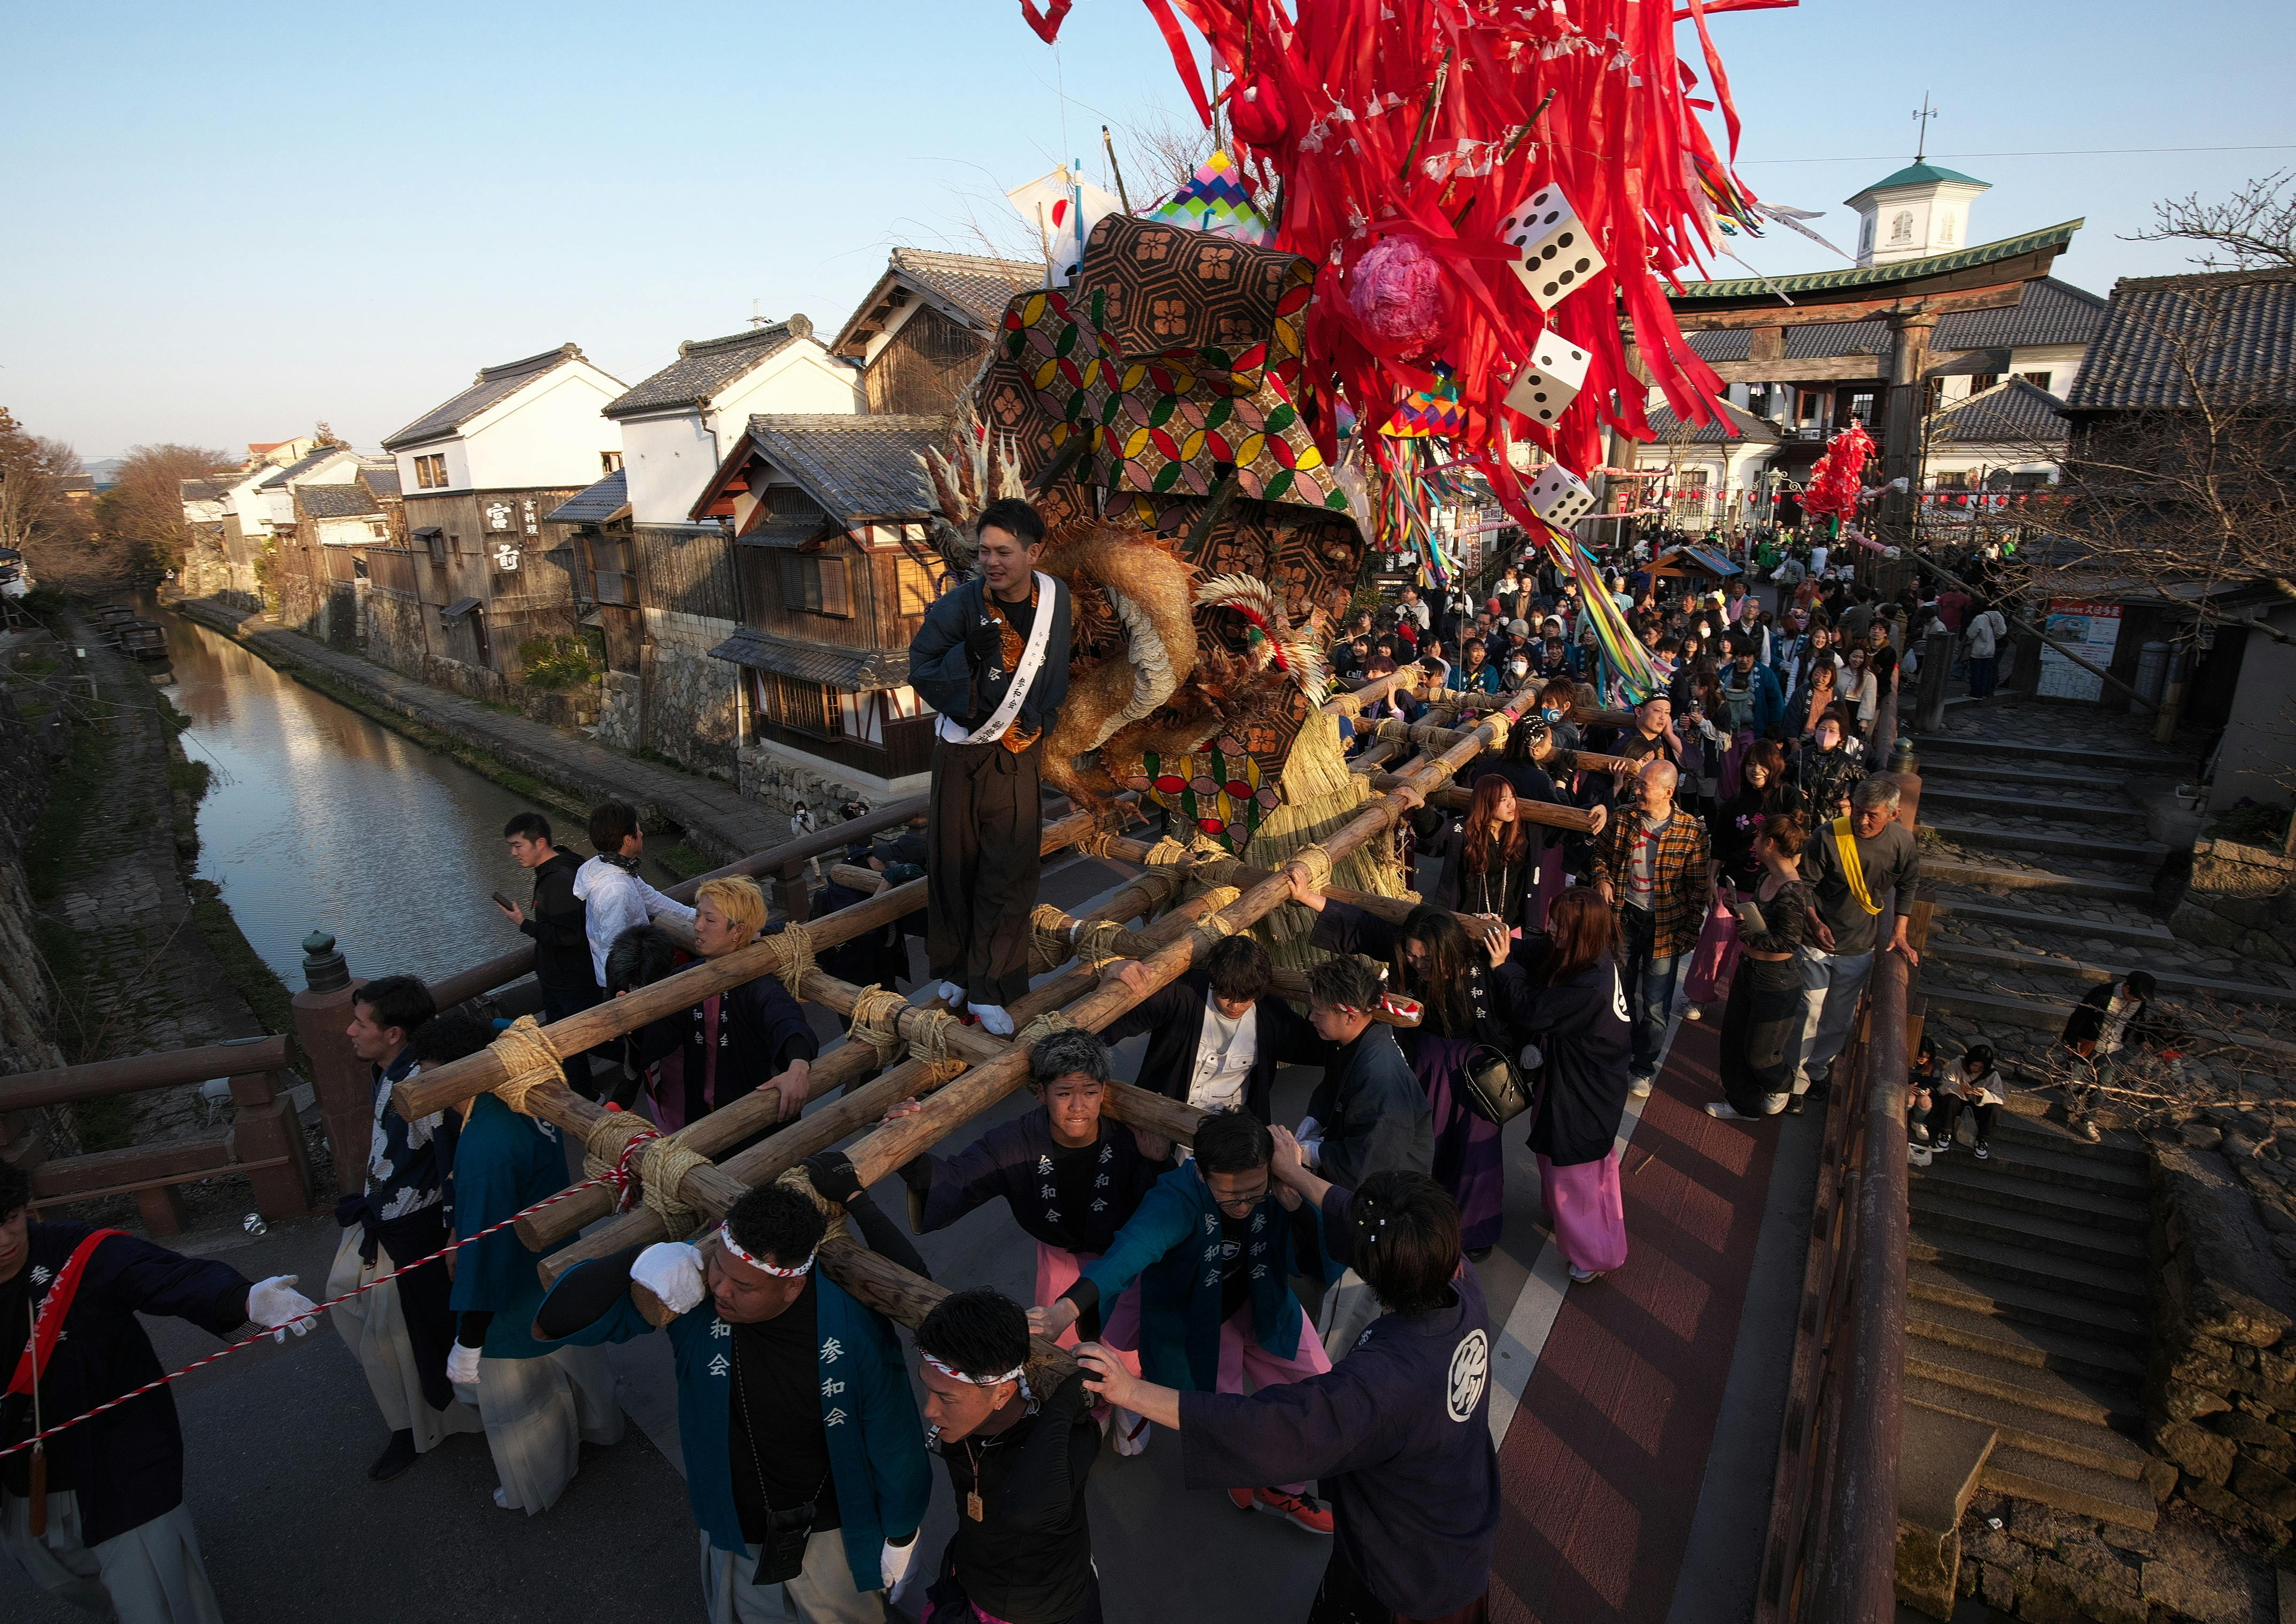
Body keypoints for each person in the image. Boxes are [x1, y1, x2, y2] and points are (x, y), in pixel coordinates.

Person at [1075, 1163, 1498, 1624]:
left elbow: (1268, 1427)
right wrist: (1296, 1174)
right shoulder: (1460, 1284)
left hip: (1402, 1574)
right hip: (1460, 1527)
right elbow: (1355, 1214)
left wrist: (1131, 1390)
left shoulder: (1383, 1382)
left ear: (1369, 1268)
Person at [537, 1165, 932, 1624]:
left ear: (792, 1286)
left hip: (831, 1534)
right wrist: (638, 1261)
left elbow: (895, 1440)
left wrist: (902, 1534)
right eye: (719, 1269)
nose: (721, 1290)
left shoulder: (853, 1333)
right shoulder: (690, 1296)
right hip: (732, 1524)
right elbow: (551, 1323)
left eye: (743, 1286)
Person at [0, 1158, 317, 1623]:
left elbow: (170, 1277)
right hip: (21, 1472)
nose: (5, 1239)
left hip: (115, 1453)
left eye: (9, 1219)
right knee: (60, 1576)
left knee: (160, 1602)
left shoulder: (78, 1254)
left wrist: (246, 1300)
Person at [1033, 1112, 1337, 1535]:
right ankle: (1247, 1478)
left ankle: (1284, 1486)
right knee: (1226, 1418)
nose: (1244, 1205)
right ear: (1200, 1172)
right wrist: (1063, 1310)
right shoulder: (1176, 1197)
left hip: (1266, 1300)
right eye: (1230, 1198)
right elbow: (1129, 1252)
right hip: (1199, 1321)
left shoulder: (1281, 1185)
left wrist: (1297, 1198)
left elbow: (1324, 1252)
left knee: (1319, 1388)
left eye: (1254, 1191)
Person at [889, 1030, 1163, 1453]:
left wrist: (1156, 1158)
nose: (1078, 1106)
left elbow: (1159, 1205)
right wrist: (906, 1151)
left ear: (1104, 1091)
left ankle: (1130, 1402)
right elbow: (960, 1177)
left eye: (1090, 1092)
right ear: (1040, 1093)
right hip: (1060, 1255)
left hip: (1122, 1257)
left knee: (1125, 1339)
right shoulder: (1014, 1141)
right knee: (1063, 1341)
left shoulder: (1129, 1134)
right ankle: (1092, 1409)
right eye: (1064, 1093)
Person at [407, 1013, 627, 1514]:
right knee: (573, 1351)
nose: (421, 1084)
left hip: (508, 1277)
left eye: (428, 1071)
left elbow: (484, 1251)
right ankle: (599, 1427)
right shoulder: (527, 1091)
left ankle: (538, 1482)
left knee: (520, 1401)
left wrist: (469, 1338)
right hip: (555, 1252)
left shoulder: (484, 1145)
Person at [907, 498, 1073, 1038]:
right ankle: (959, 970)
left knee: (1008, 870)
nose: (992, 562)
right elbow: (922, 668)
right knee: (956, 865)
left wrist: (1034, 721)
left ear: (1034, 552)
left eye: (1004, 551)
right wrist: (969, 661)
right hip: (961, 751)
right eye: (984, 551)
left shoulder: (1055, 601)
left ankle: (992, 985)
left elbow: (1055, 672)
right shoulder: (958, 606)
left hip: (1017, 753)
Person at [1301, 889, 1531, 1260]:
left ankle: (1472, 1232)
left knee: (1477, 1152)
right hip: (1426, 1062)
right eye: (1412, 954)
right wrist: (1309, 897)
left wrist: (1503, 964)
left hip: (1479, 1069)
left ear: (1450, 949)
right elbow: (1363, 927)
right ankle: (1422, 1226)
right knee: (1428, 1147)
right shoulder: (1405, 956)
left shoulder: (1482, 956)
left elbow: (1526, 982)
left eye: (1427, 957)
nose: (1418, 963)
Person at [327, 973, 484, 1482]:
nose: (351, 1031)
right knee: (369, 1318)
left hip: (413, 1229)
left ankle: (414, 1430)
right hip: (387, 1216)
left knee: (391, 1337)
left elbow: (451, 1161)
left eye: (360, 1022)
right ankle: (423, 1421)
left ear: (394, 1032)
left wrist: (454, 1232)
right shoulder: (390, 1069)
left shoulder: (421, 1085)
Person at [920, 1289, 1102, 1624]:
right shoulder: (962, 1423)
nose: (930, 1411)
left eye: (945, 1398)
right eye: (927, 1390)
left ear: (1003, 1392)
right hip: (971, 1576)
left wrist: (1063, 1406)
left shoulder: (1069, 1442)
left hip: (1043, 1609)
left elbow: (1027, 1512)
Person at [1287, 946, 1434, 1355]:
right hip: (1370, 1164)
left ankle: (1333, 1375)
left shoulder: (1381, 1075)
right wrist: (1313, 1123)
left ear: (1351, 1013)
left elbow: (1368, 1163)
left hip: (1386, 1200)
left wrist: (1310, 1154)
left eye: (1319, 1010)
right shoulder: (1355, 1041)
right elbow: (1330, 1089)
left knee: (1352, 1311)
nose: (1312, 1017)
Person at [638, 876, 818, 1135]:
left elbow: (788, 1023)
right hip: (699, 1107)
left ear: (738, 931)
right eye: (698, 915)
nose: (698, 926)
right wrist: (634, 1017)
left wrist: (799, 1066)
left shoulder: (759, 985)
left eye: (710, 920)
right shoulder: (688, 975)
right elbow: (661, 1030)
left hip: (751, 1114)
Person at [1517, 888, 1634, 1281]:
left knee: (1580, 1175)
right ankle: (1566, 1221)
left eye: (1560, 924)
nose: (1551, 928)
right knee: (1560, 1154)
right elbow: (1538, 955)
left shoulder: (1591, 983)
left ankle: (1596, 1254)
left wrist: (1501, 966)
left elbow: (1534, 1012)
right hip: (1573, 1081)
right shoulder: (1590, 959)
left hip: (1585, 1092)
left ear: (1581, 931)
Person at [1788, 776, 1922, 1111]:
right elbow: (1802, 885)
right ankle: (1794, 1082)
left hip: (1859, 943)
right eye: (1859, 811)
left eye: (1872, 815)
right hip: (1816, 939)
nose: (1862, 821)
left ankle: (1817, 1071)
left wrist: (1900, 931)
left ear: (1892, 815)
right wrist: (1814, 921)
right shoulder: (1829, 835)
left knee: (1839, 1018)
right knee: (1808, 1011)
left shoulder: (1902, 843)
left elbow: (1909, 885)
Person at [1102, 934, 1329, 1124]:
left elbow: (1311, 1046)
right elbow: (1111, 1025)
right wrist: (1113, 970)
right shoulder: (1181, 994)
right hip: (1165, 1119)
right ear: (1214, 982)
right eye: (1226, 996)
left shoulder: (1270, 1015)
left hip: (1231, 1129)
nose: (1235, 1006)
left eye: (1246, 999)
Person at [1592, 759, 1712, 1097]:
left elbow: (1697, 890)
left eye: (1645, 785)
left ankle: (1643, 1068)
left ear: (1668, 792)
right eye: (1638, 783)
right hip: (1623, 919)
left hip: (1665, 928)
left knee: (1656, 1005)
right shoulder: (1624, 817)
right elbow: (1600, 856)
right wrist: (1602, 879)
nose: (1637, 789)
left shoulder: (1692, 832)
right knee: (1620, 995)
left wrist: (1687, 935)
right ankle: (1617, 1056)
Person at [1707, 814, 1817, 1121]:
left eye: (1758, 838)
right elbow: (1761, 921)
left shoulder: (1792, 891)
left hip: (1776, 982)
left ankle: (1781, 1084)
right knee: (1733, 1043)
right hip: (1749, 971)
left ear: (1769, 844)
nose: (1753, 843)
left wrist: (1748, 935)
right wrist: (1738, 909)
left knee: (1761, 1053)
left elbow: (1788, 942)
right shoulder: (1764, 879)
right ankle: (1744, 1105)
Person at [496, 813, 599, 1076]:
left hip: (569, 981)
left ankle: (591, 1094)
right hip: (569, 977)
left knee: (572, 1045)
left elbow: (568, 935)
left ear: (540, 843)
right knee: (571, 1045)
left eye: (518, 846)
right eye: (511, 847)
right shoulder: (565, 865)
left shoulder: (558, 881)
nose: (513, 853)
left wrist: (524, 924)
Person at [575, 799, 696, 986]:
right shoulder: (616, 889)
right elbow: (612, 946)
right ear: (628, 840)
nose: (642, 834)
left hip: (634, 971)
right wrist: (624, 990)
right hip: (631, 981)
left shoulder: (607, 865)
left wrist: (696, 917)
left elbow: (653, 900)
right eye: (638, 830)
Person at [2060, 971, 2164, 1142]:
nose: (2138, 1000)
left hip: (2113, 1048)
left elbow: (2138, 1025)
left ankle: (2088, 1120)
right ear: (2127, 988)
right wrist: (2070, 1042)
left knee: (2104, 1086)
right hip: (2087, 1043)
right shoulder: (2101, 994)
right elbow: (2078, 1018)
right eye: (2136, 997)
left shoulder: (2140, 1003)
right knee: (2074, 1079)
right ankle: (2075, 1093)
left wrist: (2143, 1041)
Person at [1710, 740, 1803, 893]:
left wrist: (1784, 883)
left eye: (1763, 765)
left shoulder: (1789, 797)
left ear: (1775, 766)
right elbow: (1720, 845)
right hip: (1733, 886)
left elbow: (1799, 846)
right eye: (1751, 764)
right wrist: (1711, 881)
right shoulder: (1735, 802)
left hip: (1773, 886)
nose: (1756, 770)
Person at [1932, 1043, 2006, 1158]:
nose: (1977, 1070)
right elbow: (1943, 1086)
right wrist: (1959, 1087)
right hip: (1957, 1103)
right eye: (1975, 1066)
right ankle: (1945, 1132)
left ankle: (1982, 1139)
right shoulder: (1957, 1064)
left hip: (1977, 1106)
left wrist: (1984, 1095)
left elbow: (2000, 1098)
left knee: (1995, 1108)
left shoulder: (1992, 1074)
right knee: (1951, 1099)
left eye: (1981, 1068)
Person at [1799, 712, 1863, 824]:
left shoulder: (1846, 761)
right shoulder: (1801, 755)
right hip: (1801, 820)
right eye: (1822, 729)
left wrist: (1851, 801)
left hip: (1830, 823)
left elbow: (1869, 783)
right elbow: (1781, 777)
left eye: (1832, 731)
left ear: (1840, 737)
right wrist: (1794, 792)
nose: (1826, 734)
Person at [1717, 636, 1786, 740]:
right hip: (1727, 731)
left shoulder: (1766, 674)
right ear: (1735, 656)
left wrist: (1773, 727)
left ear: (1755, 656)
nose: (1744, 660)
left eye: (1749, 656)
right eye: (1740, 656)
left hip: (1754, 730)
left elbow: (1776, 702)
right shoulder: (1724, 673)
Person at [1965, 601, 2007, 699]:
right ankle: (1984, 692)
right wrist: (1994, 637)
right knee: (1986, 672)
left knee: (1976, 672)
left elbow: (1971, 633)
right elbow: (2002, 632)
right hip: (1991, 648)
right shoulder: (1999, 617)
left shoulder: (1980, 618)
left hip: (1978, 648)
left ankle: (1975, 693)